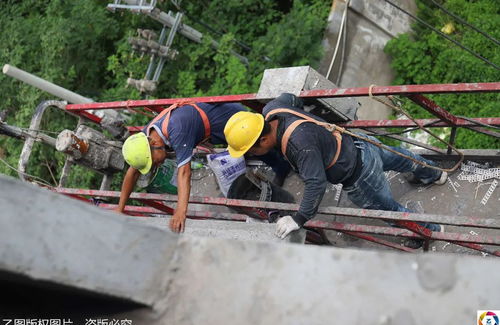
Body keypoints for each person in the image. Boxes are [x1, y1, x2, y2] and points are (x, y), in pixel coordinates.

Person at [224, 93, 448, 248]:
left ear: (263, 139)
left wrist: (298, 218)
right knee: (400, 158)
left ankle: (432, 230)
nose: (252, 155)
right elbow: (293, 98)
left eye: (252, 150)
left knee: (387, 209)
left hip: (360, 176)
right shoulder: (272, 109)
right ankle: (435, 174)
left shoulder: (298, 145)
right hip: (361, 143)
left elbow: (316, 183)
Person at [116, 102, 290, 233]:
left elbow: (184, 173)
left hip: (232, 121)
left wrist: (180, 211)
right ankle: (281, 163)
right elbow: (133, 172)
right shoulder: (147, 137)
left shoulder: (177, 129)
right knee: (252, 150)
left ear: (154, 144)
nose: (155, 165)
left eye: (152, 161)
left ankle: (286, 163)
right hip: (215, 130)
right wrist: (120, 208)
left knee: (255, 146)